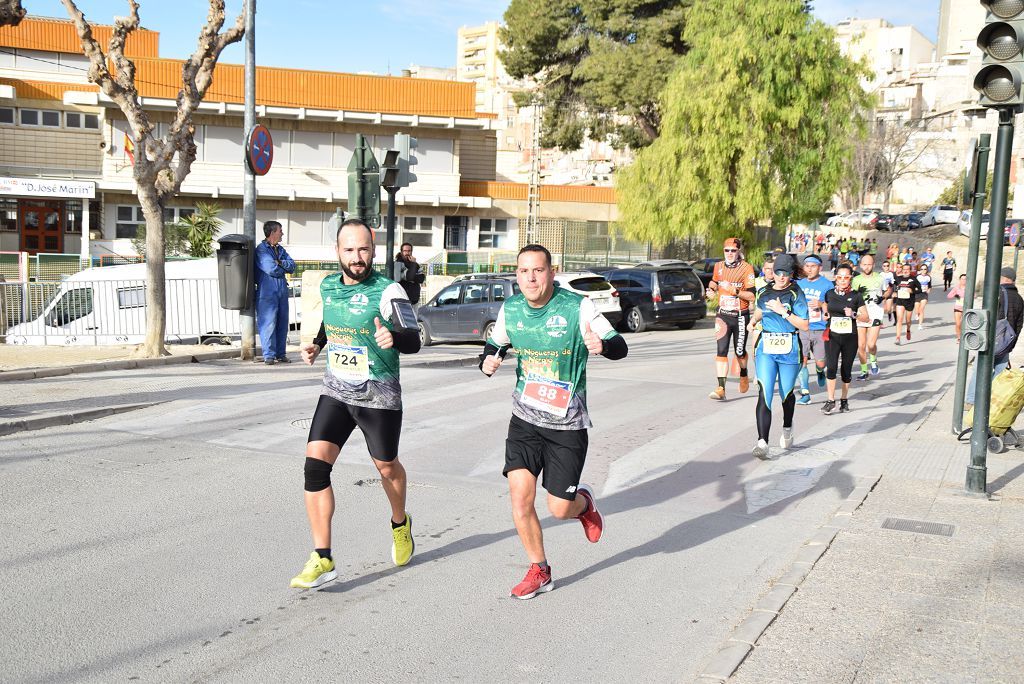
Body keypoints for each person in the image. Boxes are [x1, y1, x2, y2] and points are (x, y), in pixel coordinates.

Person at [481, 243, 627, 600]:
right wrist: (488, 360)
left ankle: (583, 506)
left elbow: (618, 345)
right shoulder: (511, 308)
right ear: (516, 275)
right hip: (525, 418)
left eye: (538, 270)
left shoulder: (578, 306)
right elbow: (494, 344)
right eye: (523, 271)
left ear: (551, 271)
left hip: (567, 424)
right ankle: (539, 570)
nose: (531, 278)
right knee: (520, 499)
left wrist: (602, 347)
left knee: (559, 509)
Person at [289, 218, 422, 589]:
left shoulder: (388, 289)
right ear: (338, 252)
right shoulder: (329, 285)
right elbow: (331, 324)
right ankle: (322, 557)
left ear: (374, 250)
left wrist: (393, 337)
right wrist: (318, 344)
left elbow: (414, 339)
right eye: (349, 250)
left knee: (386, 466)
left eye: (363, 249)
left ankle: (400, 523)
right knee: (314, 468)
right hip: (336, 391)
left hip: (378, 395)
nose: (357, 257)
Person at [746, 254, 809, 459]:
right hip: (766, 347)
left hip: (790, 348)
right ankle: (762, 442)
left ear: (792, 274)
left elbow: (805, 325)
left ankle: (787, 427)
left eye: (787, 273)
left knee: (786, 394)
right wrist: (753, 322)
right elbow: (760, 310)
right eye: (779, 272)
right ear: (773, 272)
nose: (782, 277)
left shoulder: (796, 293)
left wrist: (784, 312)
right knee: (764, 391)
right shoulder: (763, 291)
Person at [707, 238, 757, 401]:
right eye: (726, 250)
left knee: (739, 352)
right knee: (721, 350)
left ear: (738, 252)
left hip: (740, 316)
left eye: (733, 251)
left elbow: (751, 296)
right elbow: (714, 282)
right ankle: (721, 387)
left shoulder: (746, 268)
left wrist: (735, 291)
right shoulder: (718, 266)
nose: (729, 253)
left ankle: (743, 373)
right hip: (723, 315)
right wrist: (711, 290)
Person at [966, 268, 1023, 405]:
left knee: (980, 370)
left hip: (990, 340)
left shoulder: (996, 293)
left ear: (1003, 278)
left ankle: (972, 400)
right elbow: (1019, 325)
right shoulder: (1020, 299)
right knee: (999, 373)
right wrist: (1010, 346)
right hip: (1006, 344)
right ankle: (988, 399)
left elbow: (985, 317)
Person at [821, 263, 869, 414]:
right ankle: (830, 400)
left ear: (850, 279)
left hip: (850, 337)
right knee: (831, 367)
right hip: (832, 336)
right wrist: (825, 313)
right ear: (835, 278)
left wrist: (853, 314)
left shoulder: (856, 296)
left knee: (846, 370)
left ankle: (844, 400)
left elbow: (866, 317)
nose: (842, 280)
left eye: (846, 277)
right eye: (839, 277)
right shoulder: (829, 293)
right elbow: (825, 304)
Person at [255, 220, 297, 365]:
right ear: (272, 232)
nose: (282, 233)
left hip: (281, 291)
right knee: (268, 323)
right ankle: (269, 355)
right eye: (280, 231)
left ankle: (281, 353)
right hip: (267, 292)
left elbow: (292, 265)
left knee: (282, 323)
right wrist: (281, 266)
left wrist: (280, 262)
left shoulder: (280, 250)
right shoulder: (262, 249)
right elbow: (270, 268)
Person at [795, 255, 831, 404]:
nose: (809, 269)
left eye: (813, 266)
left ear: (820, 268)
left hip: (820, 329)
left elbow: (834, 305)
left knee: (821, 362)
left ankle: (819, 371)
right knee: (801, 361)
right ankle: (805, 393)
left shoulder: (828, 285)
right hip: (803, 328)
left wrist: (821, 303)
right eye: (807, 266)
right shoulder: (798, 284)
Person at [852, 255, 889, 379]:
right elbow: (851, 297)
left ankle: (873, 361)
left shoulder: (880, 278)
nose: (867, 267)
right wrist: (857, 294)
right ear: (860, 265)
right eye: (864, 264)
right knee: (861, 346)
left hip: (876, 313)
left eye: (869, 264)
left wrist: (883, 297)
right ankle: (864, 371)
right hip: (861, 314)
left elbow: (889, 289)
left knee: (871, 344)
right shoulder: (856, 280)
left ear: (873, 265)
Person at [892, 263, 922, 345]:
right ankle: (898, 338)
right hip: (900, 301)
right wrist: (894, 292)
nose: (905, 271)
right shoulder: (898, 278)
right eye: (904, 269)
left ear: (910, 270)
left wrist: (912, 291)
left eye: (907, 269)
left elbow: (920, 289)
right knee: (899, 319)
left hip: (909, 301)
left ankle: (908, 329)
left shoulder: (914, 279)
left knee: (908, 321)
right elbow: (894, 286)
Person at [393, 242, 426, 308]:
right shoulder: (398, 264)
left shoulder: (415, 264)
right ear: (401, 252)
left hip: (414, 300)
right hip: (402, 300)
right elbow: (410, 277)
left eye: (409, 251)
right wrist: (412, 276)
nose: (407, 253)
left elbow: (422, 278)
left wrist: (412, 276)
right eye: (405, 251)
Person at [947, 273, 967, 341]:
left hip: (966, 308)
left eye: (965, 279)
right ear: (960, 280)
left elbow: (974, 296)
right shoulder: (956, 288)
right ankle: (959, 338)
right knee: (958, 324)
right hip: (958, 307)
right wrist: (955, 294)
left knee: (962, 324)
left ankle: (963, 336)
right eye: (962, 279)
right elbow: (949, 296)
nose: (964, 280)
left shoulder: (969, 288)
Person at [914, 264, 932, 329]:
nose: (923, 270)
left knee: (921, 309)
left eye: (925, 269)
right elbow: (913, 285)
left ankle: (920, 325)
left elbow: (930, 286)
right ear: (920, 270)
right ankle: (916, 314)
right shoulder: (917, 277)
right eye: (922, 269)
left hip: (924, 294)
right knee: (917, 309)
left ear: (927, 270)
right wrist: (915, 289)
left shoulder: (928, 277)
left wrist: (929, 290)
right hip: (917, 294)